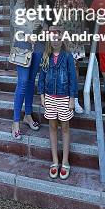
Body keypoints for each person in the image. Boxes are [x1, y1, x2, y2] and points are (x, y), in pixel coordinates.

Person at [11, 0, 48, 139]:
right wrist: (27, 34)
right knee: (23, 81)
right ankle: (16, 121)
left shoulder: (44, 0)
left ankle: (28, 114)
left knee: (32, 81)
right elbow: (15, 20)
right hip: (24, 44)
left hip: (39, 44)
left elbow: (45, 21)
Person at [39, 28, 77, 180]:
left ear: (62, 39)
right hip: (50, 96)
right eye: (53, 37)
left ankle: (65, 161)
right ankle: (55, 160)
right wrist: (41, 95)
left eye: (58, 37)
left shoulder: (67, 56)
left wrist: (72, 98)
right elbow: (41, 76)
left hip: (64, 97)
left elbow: (73, 78)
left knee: (65, 128)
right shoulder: (46, 56)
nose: (55, 40)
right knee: (52, 127)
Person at [54, 0, 86, 113]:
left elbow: (84, 12)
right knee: (64, 66)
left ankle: (75, 99)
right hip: (64, 35)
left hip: (76, 35)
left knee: (75, 67)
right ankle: (64, 98)